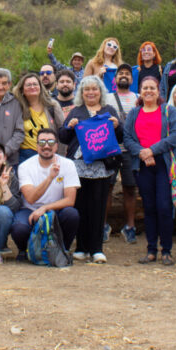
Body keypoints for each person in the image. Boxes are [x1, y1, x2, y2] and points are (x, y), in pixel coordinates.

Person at [59, 76, 122, 263]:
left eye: (94, 89)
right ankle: (81, 247)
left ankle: (97, 249)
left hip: (101, 167)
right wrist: (69, 127)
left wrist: (117, 126)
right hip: (78, 167)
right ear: (82, 93)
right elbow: (62, 136)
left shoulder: (109, 110)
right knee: (80, 207)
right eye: (87, 90)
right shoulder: (76, 111)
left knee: (98, 208)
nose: (91, 92)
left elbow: (120, 136)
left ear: (100, 92)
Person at [124, 76, 176, 266]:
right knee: (148, 208)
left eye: (152, 88)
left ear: (158, 91)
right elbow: (127, 138)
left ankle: (166, 250)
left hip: (164, 164)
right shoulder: (134, 113)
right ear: (140, 91)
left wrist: (152, 150)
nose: (148, 91)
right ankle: (151, 250)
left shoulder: (168, 110)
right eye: (145, 88)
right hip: (142, 165)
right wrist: (142, 153)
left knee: (164, 207)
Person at [11, 128, 80, 260]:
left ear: (56, 146)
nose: (46, 146)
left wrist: (45, 208)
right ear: (37, 146)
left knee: (71, 214)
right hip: (30, 209)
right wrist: (49, 178)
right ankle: (25, 250)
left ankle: (62, 249)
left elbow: (70, 200)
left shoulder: (68, 164)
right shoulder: (25, 166)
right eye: (42, 142)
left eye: (50, 142)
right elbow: (30, 198)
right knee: (19, 228)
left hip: (56, 210)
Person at [105, 64, 139, 244]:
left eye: (127, 74)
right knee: (107, 188)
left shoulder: (138, 98)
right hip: (110, 148)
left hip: (130, 150)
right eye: (121, 74)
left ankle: (130, 227)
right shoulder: (107, 98)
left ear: (132, 79)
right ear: (115, 79)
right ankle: (103, 226)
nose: (124, 76)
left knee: (129, 188)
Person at [13, 72, 65, 164]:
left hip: (48, 153)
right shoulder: (17, 107)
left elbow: (62, 133)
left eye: (35, 84)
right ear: (22, 90)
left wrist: (60, 156)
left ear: (40, 87)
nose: (32, 87)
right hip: (25, 156)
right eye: (28, 85)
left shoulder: (52, 106)